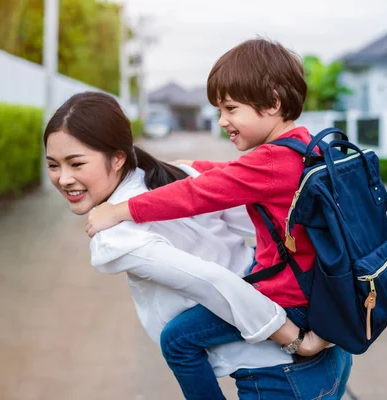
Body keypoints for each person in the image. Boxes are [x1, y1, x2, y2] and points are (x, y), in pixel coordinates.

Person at [85, 38, 354, 399]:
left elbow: (197, 195)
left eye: (230, 108)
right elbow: (230, 172)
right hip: (320, 290)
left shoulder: (271, 162)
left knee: (177, 340)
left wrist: (120, 210)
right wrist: (190, 167)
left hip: (291, 297)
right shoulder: (305, 146)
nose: (222, 120)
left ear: (273, 102)